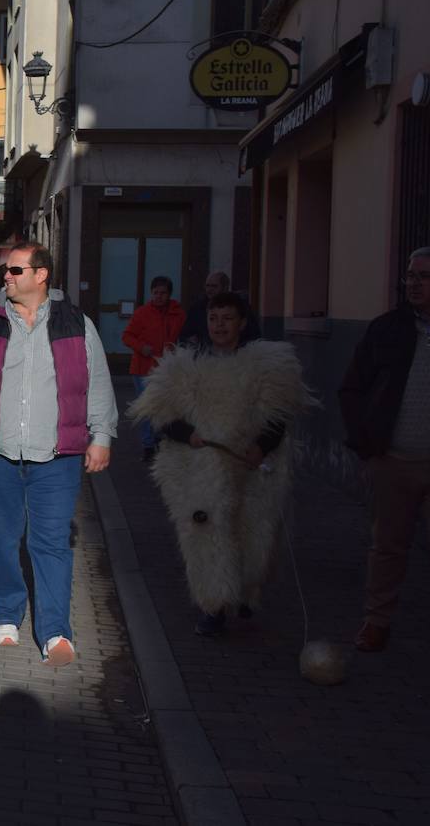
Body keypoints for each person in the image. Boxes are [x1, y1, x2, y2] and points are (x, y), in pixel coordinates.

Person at [0, 242, 116, 668]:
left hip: (57, 456)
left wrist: (102, 435)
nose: (7, 277)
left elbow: (97, 383)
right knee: (1, 539)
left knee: (51, 543)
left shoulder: (76, 323)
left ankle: (54, 630)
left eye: (16, 270)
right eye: (6, 271)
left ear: (41, 276)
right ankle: (6, 612)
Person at [129, 292, 313, 636]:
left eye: (227, 318)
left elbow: (278, 414)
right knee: (205, 533)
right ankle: (212, 605)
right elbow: (160, 416)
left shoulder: (266, 366)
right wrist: (190, 434)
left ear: (242, 322)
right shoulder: (183, 369)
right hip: (200, 471)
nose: (220, 326)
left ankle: (245, 593)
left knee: (252, 531)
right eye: (214, 319)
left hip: (250, 468)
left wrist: (261, 447)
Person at [339, 245, 430, 652]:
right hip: (392, 460)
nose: (414, 283)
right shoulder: (388, 328)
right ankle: (377, 621)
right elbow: (352, 388)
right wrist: (367, 445)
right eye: (409, 275)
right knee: (387, 547)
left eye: (424, 276)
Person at [121, 276, 186, 460]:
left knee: (164, 407)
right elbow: (127, 336)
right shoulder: (142, 313)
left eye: (163, 293)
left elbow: (184, 336)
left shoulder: (178, 315)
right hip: (143, 368)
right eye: (155, 293)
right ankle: (148, 445)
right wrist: (142, 347)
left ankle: (160, 439)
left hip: (166, 369)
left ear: (169, 294)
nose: (158, 296)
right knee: (148, 407)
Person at [177, 271, 259, 348]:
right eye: (207, 286)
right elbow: (184, 335)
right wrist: (191, 341)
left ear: (225, 287)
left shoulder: (239, 305)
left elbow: (253, 334)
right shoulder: (197, 307)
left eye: (214, 286)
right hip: (204, 354)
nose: (209, 290)